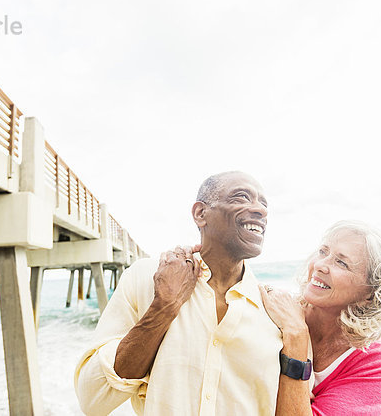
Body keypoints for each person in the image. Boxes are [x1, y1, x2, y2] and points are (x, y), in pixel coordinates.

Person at [75, 171, 284, 415]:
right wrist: (164, 306)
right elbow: (92, 398)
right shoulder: (146, 278)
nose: (260, 210)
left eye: (264, 204)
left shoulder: (276, 311)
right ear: (200, 213)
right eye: (241, 197)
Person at [260, 220, 381, 415]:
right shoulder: (273, 311)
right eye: (323, 252)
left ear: (370, 294)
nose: (320, 265)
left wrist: (297, 335)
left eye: (341, 262)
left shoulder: (378, 365)